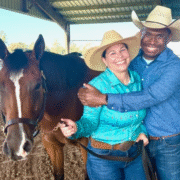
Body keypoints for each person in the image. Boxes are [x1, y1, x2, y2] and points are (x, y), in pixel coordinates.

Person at [78, 5, 180, 180]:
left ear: (168, 38)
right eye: (148, 34)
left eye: (160, 36)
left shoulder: (175, 66)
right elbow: (114, 78)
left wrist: (103, 98)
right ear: (141, 33)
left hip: (166, 141)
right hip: (137, 140)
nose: (152, 41)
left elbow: (151, 97)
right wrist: (88, 92)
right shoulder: (131, 61)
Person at [59, 30, 149, 180]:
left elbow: (142, 113)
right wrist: (77, 128)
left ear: (128, 53)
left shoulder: (137, 79)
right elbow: (90, 122)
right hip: (105, 158)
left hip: (134, 152)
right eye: (112, 53)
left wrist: (142, 131)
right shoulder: (97, 86)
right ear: (105, 61)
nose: (119, 56)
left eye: (122, 50)